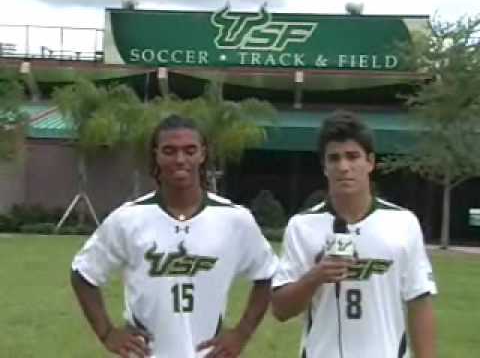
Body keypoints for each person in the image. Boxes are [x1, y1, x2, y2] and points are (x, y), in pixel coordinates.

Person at [71, 114, 278, 358]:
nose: (180, 159)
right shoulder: (128, 218)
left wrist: (241, 333)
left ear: (203, 154)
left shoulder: (235, 219)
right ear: (156, 155)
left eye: (190, 151)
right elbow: (83, 273)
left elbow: (267, 274)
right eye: (169, 151)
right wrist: (107, 332)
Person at [271, 110, 437, 358]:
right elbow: (281, 309)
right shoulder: (302, 226)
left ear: (370, 162)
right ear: (324, 167)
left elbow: (419, 302)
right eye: (334, 159)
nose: (344, 167)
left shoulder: (403, 223)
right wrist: (315, 277)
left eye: (352, 157)